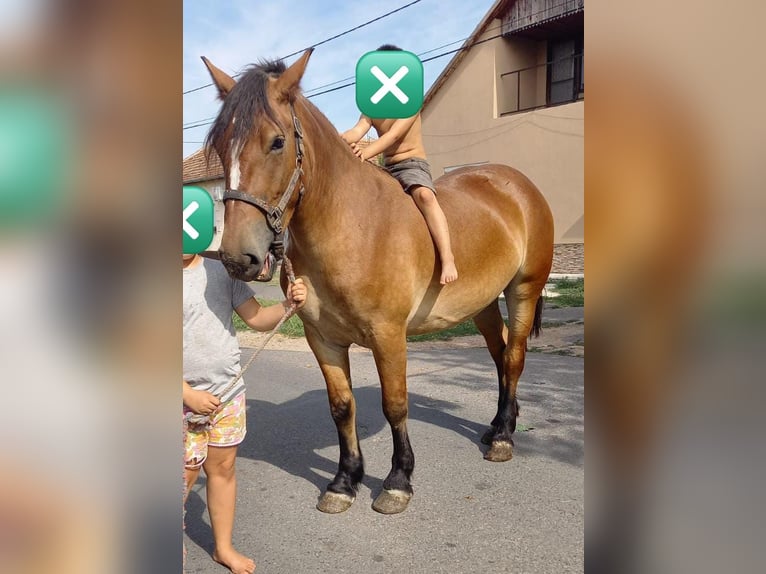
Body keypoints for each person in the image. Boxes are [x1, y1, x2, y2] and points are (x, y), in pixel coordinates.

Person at [183, 252, 307, 574]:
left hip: (227, 395)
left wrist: (287, 305)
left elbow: (256, 318)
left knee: (222, 469)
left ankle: (223, 548)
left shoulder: (220, 272)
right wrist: (187, 394)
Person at [341, 44, 458, 285]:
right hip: (386, 168)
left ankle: (448, 257)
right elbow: (357, 131)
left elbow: (393, 136)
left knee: (425, 195)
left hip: (412, 163)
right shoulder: (371, 107)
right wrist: (335, 140)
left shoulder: (410, 103)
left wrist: (367, 152)